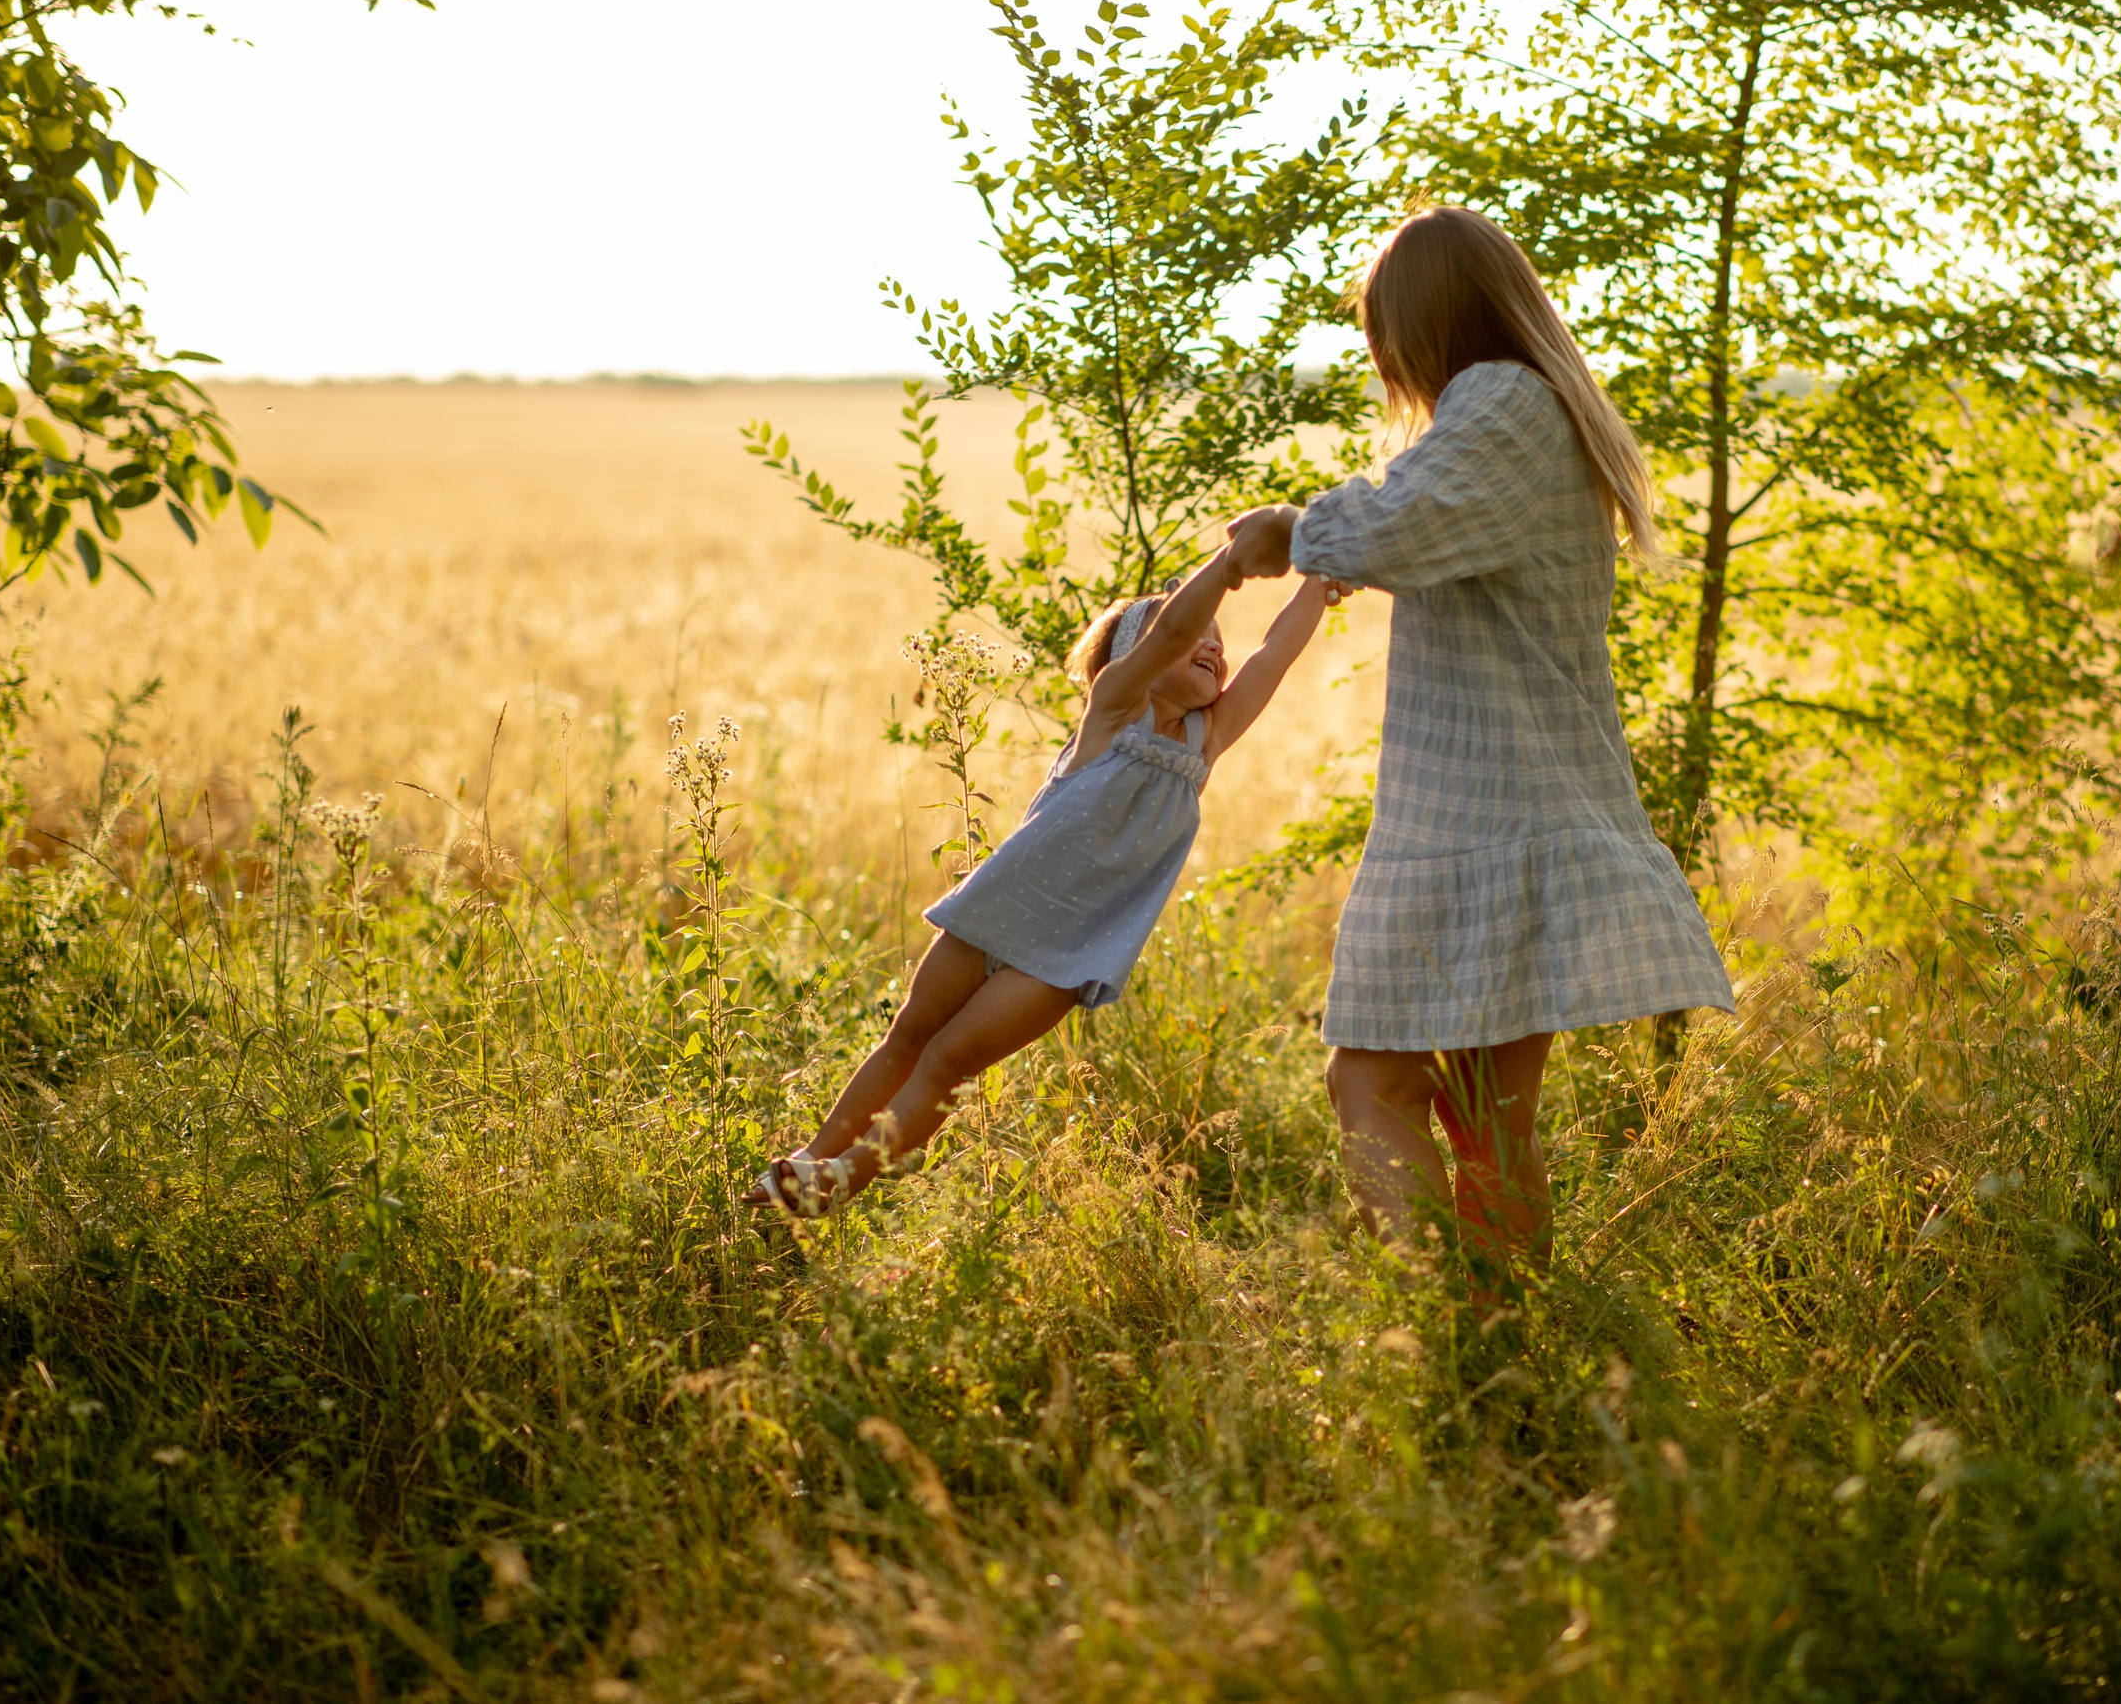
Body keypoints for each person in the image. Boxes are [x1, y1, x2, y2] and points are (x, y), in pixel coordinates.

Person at [1222, 204, 1734, 1268]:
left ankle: (1433, 1319)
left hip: (1483, 820)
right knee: (1481, 1117)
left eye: (1381, 330)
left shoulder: (1501, 404)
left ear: (1420, 323)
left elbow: (1398, 525)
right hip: (1498, 811)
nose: (1381, 356)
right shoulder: (1520, 408)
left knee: (1372, 1079)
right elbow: (1417, 514)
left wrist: (1284, 533)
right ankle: (1498, 1346)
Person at [742, 558, 1343, 1215]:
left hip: (1070, 949)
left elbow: (1274, 656)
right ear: (1134, 653)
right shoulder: (1115, 709)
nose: (1214, 648)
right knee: (910, 1032)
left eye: (1220, 644)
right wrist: (1227, 567)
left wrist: (1321, 579)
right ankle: (808, 1159)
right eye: (1200, 633)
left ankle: (842, 1177)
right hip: (1001, 906)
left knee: (947, 1058)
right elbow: (1170, 634)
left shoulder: (1206, 741)